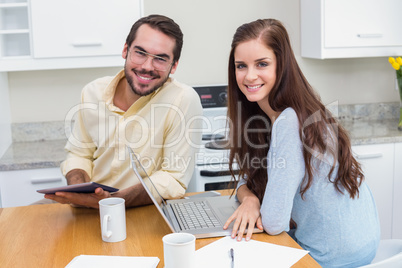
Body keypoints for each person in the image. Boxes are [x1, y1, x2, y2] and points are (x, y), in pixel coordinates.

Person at [222, 18, 380, 267]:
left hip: (331, 256)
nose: (249, 76)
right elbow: (248, 177)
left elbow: (274, 224)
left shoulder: (288, 121)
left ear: (281, 66)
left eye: (262, 64)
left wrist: (252, 201)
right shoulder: (295, 110)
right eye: (241, 66)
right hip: (362, 245)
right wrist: (250, 199)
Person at [44, 14, 203, 208]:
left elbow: (172, 179)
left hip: (146, 212)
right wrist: (79, 189)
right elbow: (79, 154)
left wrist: (112, 202)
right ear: (126, 50)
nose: (147, 66)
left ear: (174, 65)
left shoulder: (183, 100)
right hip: (86, 208)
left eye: (160, 59)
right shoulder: (92, 92)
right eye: (140, 53)